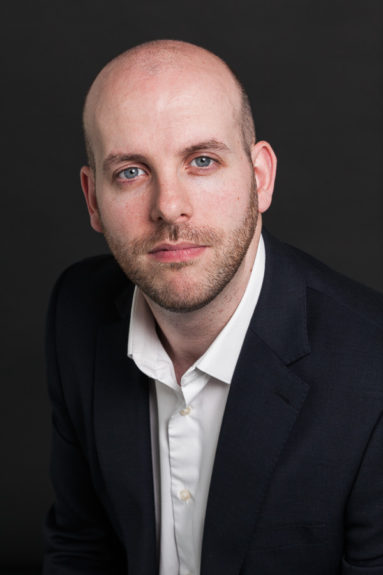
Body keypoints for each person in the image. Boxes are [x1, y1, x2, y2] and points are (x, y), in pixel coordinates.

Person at [43, 39, 383, 575]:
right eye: (131, 171)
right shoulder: (76, 313)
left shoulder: (372, 369)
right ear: (93, 200)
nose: (169, 207)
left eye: (202, 161)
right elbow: (82, 547)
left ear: (260, 177)